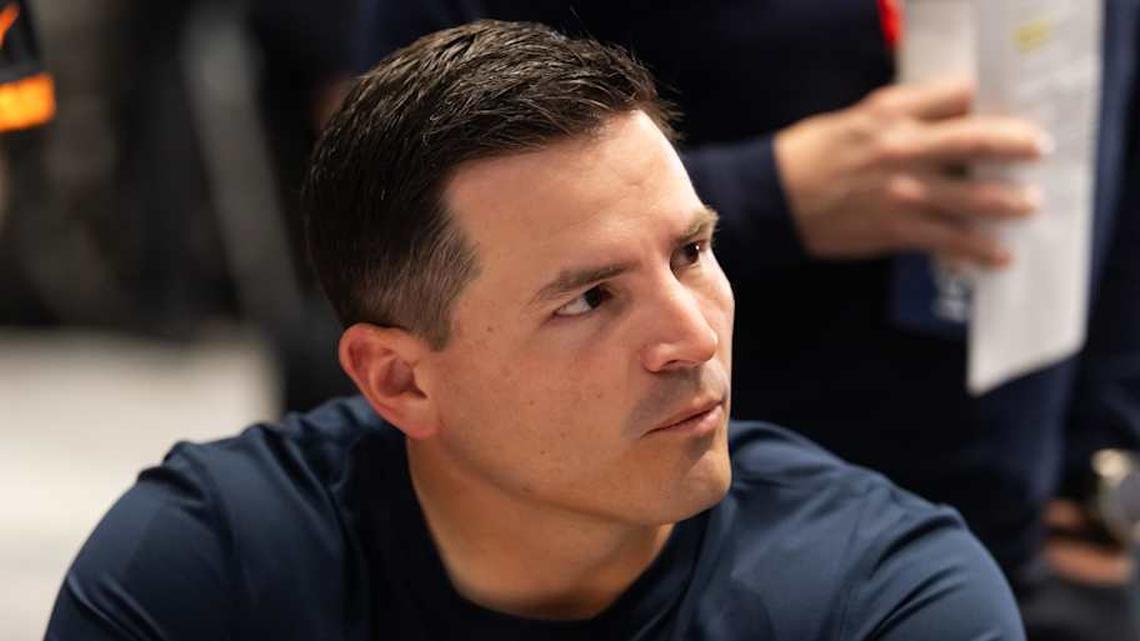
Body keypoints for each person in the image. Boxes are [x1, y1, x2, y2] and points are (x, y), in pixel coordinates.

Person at [44, 21, 1024, 640]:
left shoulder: (883, 594)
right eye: (589, 298)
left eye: (691, 252)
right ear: (398, 381)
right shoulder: (209, 571)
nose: (693, 335)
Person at [351, 2, 1140, 635]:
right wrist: (772, 196)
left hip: (1044, 544)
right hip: (701, 562)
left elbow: (1113, 130)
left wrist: (1106, 460)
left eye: (697, 251)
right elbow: (392, 202)